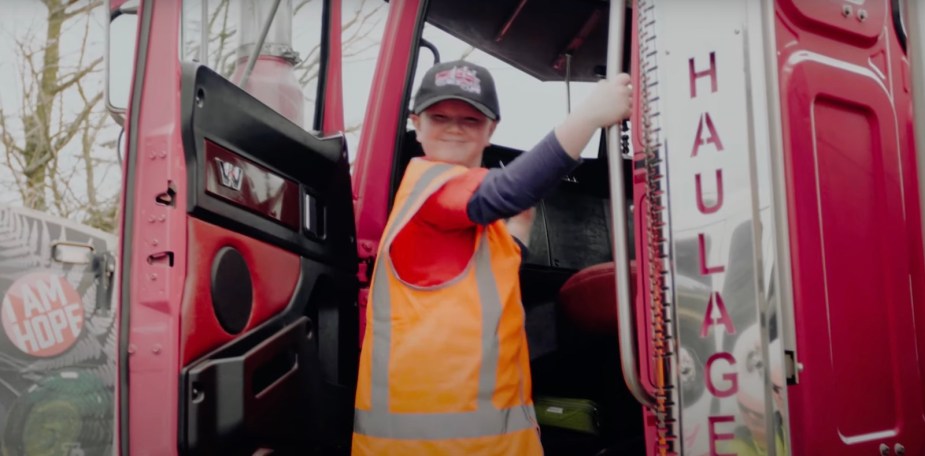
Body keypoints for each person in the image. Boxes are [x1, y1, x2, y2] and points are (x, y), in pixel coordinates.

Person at [352, 60, 633, 455]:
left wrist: (517, 238)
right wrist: (589, 115)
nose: (453, 127)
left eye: (470, 119)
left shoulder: (465, 217)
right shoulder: (430, 184)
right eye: (439, 116)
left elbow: (476, 275)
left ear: (491, 130)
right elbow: (510, 191)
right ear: (417, 123)